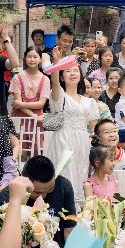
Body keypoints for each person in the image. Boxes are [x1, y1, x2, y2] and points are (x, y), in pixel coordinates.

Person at [0, 155, 76, 246]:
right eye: (37, 192)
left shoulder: (63, 186)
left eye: (50, 190)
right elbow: (0, 241)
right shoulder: (7, 199)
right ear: (24, 182)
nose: (43, 196)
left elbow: (69, 229)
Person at [43, 63, 94, 202]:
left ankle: (79, 208)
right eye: (68, 71)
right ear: (62, 76)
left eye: (75, 70)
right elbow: (54, 82)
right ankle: (63, 205)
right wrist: (57, 63)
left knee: (81, 173)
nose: (72, 73)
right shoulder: (60, 95)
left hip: (83, 141)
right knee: (65, 172)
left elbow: (94, 127)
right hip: (64, 138)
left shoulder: (89, 101)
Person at [8, 47, 50, 119]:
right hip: (19, 119)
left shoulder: (45, 79)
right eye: (29, 57)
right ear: (25, 59)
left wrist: (21, 104)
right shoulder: (17, 78)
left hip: (38, 121)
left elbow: (41, 104)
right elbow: (17, 103)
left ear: (40, 59)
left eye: (35, 57)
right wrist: (34, 116)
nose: (32, 60)